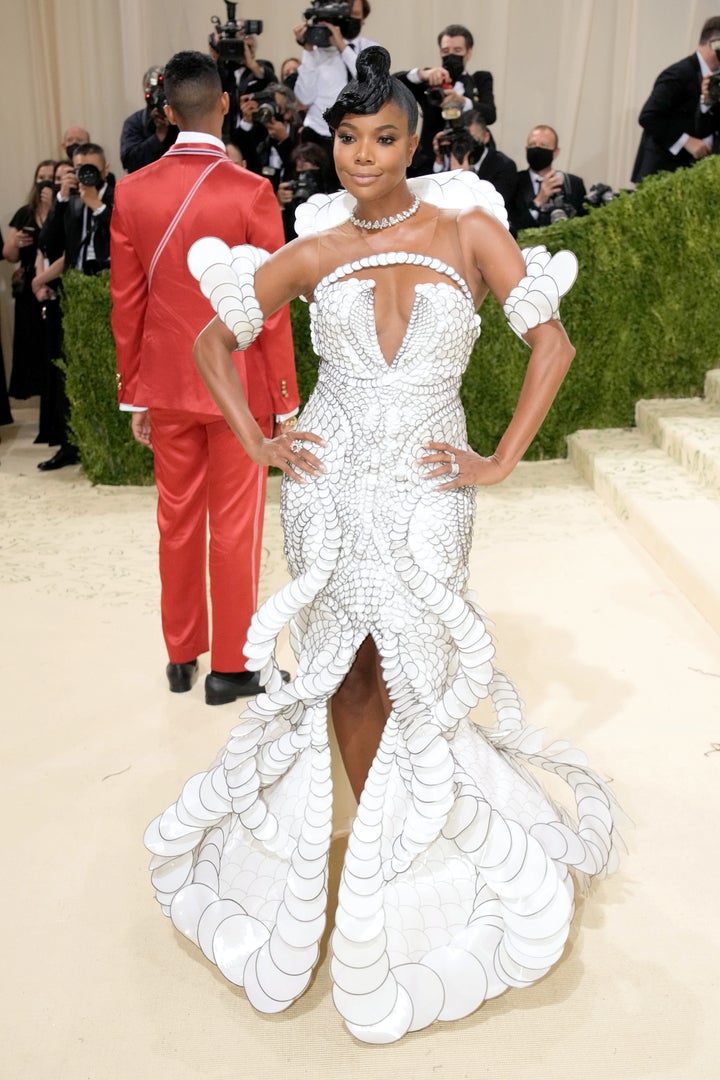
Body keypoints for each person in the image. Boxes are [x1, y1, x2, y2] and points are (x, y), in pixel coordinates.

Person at [145, 46, 620, 1042]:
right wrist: (257, 438)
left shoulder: (469, 232)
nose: (364, 157)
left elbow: (555, 344)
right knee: (346, 672)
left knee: (419, 662)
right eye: (349, 139)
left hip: (428, 489)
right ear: (335, 145)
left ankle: (425, 841)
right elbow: (209, 343)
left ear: (418, 143)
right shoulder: (317, 251)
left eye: (384, 138)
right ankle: (378, 859)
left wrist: (498, 459)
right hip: (328, 486)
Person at [110, 50, 299, 705]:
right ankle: (232, 669)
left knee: (177, 522)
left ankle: (179, 656)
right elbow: (270, 311)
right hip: (236, 388)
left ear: (165, 112)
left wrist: (134, 392)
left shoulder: (130, 192)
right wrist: (283, 400)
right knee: (237, 525)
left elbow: (126, 304)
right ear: (224, 104)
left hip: (165, 385)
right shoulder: (251, 192)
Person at [33, 144, 114, 469]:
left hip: (108, 291)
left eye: (90, 168)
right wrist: (62, 201)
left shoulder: (118, 196)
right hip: (74, 293)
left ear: (105, 169)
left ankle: (108, 445)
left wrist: (97, 208)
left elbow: (122, 240)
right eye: (78, 168)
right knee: (72, 372)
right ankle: (71, 445)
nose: (85, 175)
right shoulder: (69, 198)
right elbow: (48, 244)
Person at [396, 24, 496, 176]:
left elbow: (490, 114)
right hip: (430, 160)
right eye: (445, 51)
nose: (451, 55)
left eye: (457, 51)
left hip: (471, 157)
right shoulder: (430, 81)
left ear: (469, 53)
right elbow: (393, 83)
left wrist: (462, 101)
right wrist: (422, 74)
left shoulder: (479, 80)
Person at [631, 16, 720, 183]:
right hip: (662, 173)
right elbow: (649, 116)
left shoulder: (715, 80)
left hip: (692, 176)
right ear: (714, 43)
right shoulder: (679, 74)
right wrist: (686, 140)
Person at [293, 0, 376, 157]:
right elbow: (304, 99)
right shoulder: (316, 53)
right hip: (318, 134)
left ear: (363, 19)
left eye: (355, 15)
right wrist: (308, 50)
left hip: (357, 136)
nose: (348, 18)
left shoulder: (371, 49)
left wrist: (341, 46)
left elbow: (370, 82)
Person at [2, 160, 56, 403]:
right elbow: (8, 254)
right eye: (40, 176)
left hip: (53, 284)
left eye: (49, 177)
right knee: (31, 344)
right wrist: (16, 243)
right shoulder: (25, 212)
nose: (44, 182)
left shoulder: (62, 208)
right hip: (27, 289)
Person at [508, 124, 587, 233]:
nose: (536, 149)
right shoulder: (513, 182)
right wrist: (538, 201)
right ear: (526, 150)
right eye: (532, 145)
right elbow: (511, 226)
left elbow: (583, 225)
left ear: (555, 152)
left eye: (543, 145)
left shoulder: (573, 184)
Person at [119, 66, 179, 173]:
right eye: (154, 91)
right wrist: (158, 136)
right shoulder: (135, 123)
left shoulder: (182, 119)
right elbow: (130, 162)